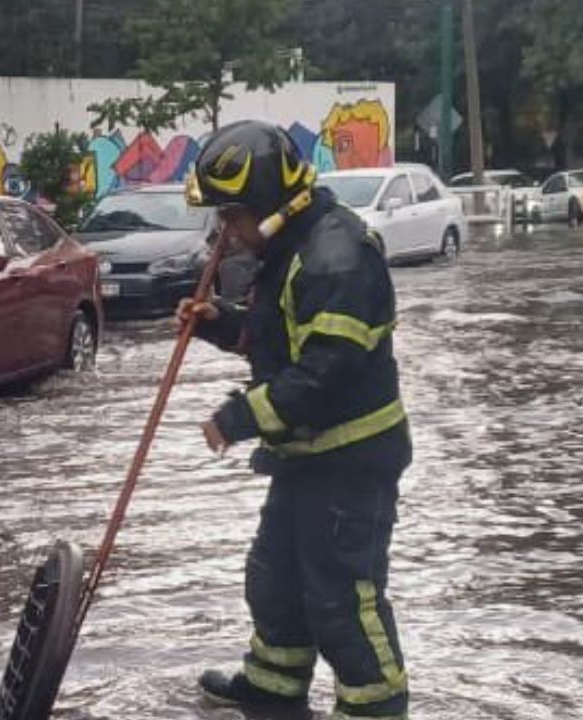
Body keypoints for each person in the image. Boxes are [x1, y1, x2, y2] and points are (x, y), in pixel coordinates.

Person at [177, 120, 412, 718]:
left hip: (350, 463)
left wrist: (236, 417)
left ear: (271, 206)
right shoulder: (290, 252)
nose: (225, 233)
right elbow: (276, 343)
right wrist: (217, 324)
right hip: (305, 461)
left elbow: (322, 376)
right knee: (274, 582)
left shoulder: (336, 258)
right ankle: (273, 692)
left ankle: (375, 708)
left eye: (231, 218)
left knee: (341, 599)